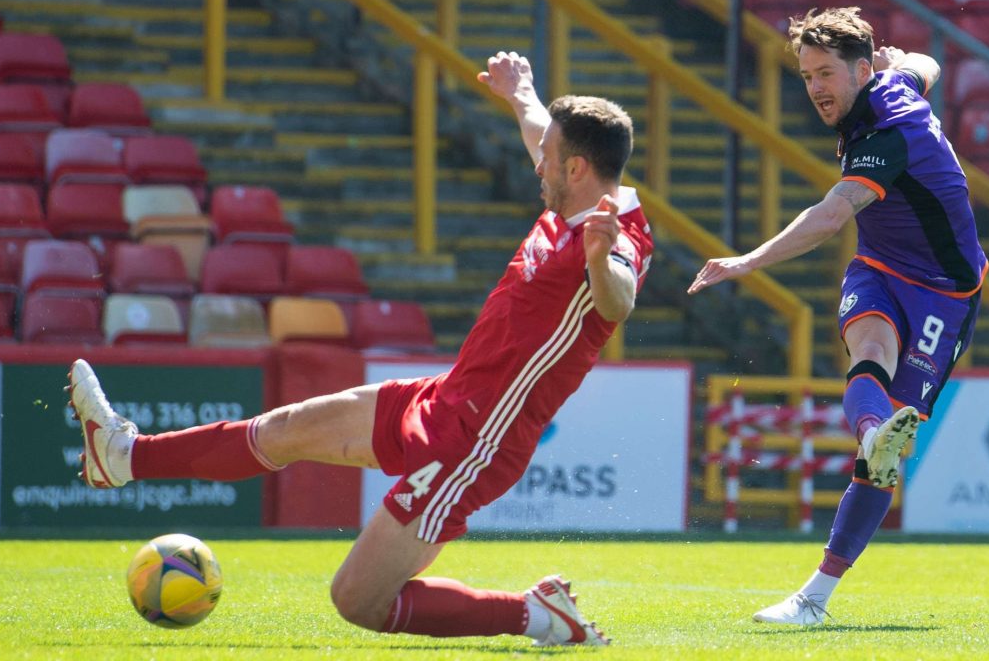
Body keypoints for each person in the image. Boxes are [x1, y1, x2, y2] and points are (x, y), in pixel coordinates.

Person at [68, 50, 653, 646]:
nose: (538, 166)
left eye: (549, 161)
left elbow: (618, 302)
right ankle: (124, 456)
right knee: (284, 429)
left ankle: (540, 616)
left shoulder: (617, 235)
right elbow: (539, 133)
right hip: (442, 398)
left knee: (357, 600)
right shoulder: (570, 193)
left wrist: (601, 260)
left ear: (576, 168)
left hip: (476, 439)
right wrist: (520, 94)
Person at [688, 7, 986, 625]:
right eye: (805, 75)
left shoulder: (887, 132)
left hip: (946, 296)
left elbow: (830, 217)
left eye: (826, 73)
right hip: (879, 266)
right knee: (869, 350)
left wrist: (748, 260)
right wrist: (902, 63)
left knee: (883, 464)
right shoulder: (890, 85)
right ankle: (874, 434)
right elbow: (926, 64)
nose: (816, 88)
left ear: (857, 70)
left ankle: (816, 595)